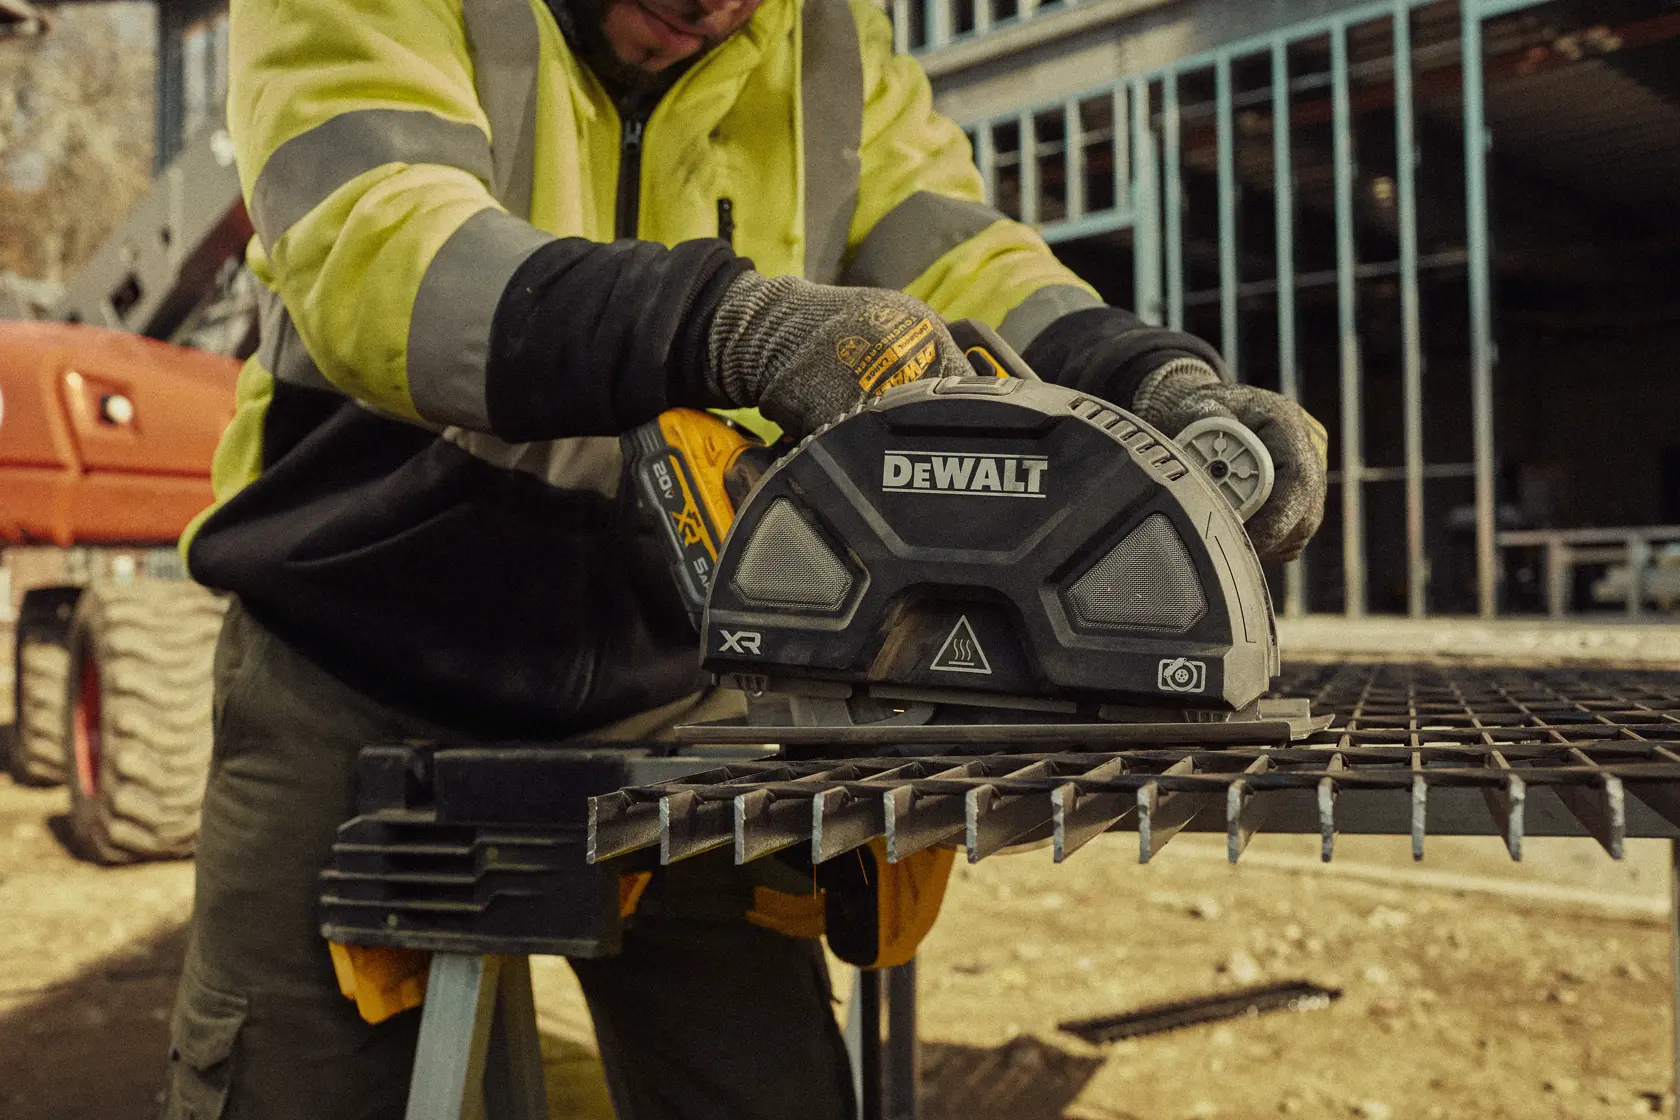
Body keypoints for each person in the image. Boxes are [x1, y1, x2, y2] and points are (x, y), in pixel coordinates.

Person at [163, 0, 1328, 1113]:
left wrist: (1144, 380)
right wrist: (732, 329)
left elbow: (958, 256)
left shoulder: (825, 40)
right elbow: (380, 255)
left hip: (682, 687)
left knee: (763, 1091)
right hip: (354, 660)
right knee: (288, 1085)